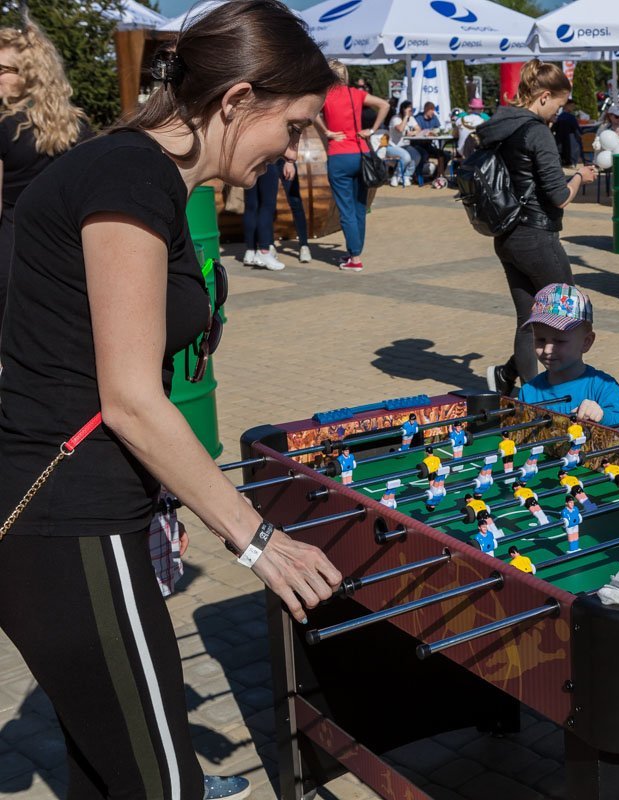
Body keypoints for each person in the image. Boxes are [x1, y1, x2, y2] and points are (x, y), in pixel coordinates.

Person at [0, 3, 342, 799]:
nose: (297, 150)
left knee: (110, 777)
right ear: (238, 99)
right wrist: (257, 540)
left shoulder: (140, 175)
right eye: (293, 125)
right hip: (72, 522)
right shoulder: (129, 176)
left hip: (76, 519)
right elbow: (129, 400)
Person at [476, 61, 597, 396]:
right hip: (537, 236)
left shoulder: (500, 127)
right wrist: (579, 177)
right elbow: (559, 197)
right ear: (544, 96)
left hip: (507, 235)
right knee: (568, 315)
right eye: (558, 105)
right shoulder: (537, 131)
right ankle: (559, 392)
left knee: (527, 321)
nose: (558, 113)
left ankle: (525, 392)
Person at [0, 19, 90, 337]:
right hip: (68, 260)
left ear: (29, 74)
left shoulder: (4, 127)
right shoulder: (80, 128)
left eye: (1, 70)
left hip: (12, 260)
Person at [515, 284, 619, 428]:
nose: (548, 349)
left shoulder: (604, 387)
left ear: (586, 342)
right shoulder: (529, 392)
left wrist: (603, 416)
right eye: (541, 340)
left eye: (559, 341)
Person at [317, 58, 388, 272]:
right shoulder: (356, 94)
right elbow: (385, 105)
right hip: (361, 152)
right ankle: (354, 251)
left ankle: (355, 257)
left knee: (346, 209)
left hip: (339, 155)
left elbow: (310, 113)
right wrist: (372, 130)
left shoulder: (324, 96)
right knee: (359, 207)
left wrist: (327, 131)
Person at [240, 160, 285, 269]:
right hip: (267, 162)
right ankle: (264, 251)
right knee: (267, 206)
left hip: (249, 165)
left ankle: (250, 251)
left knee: (251, 207)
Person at [382, 100, 422, 188]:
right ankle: (396, 175)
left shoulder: (411, 118)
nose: (411, 111)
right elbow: (400, 129)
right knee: (406, 157)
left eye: (412, 110)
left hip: (405, 146)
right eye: (409, 109)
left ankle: (407, 175)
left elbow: (419, 129)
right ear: (403, 109)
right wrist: (406, 116)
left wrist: (412, 133)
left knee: (416, 156)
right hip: (392, 146)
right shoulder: (395, 118)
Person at [279, 157, 311, 262]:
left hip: (284, 159)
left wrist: (289, 162)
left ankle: (304, 245)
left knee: (295, 202)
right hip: (267, 161)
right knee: (267, 204)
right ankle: (268, 245)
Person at [553, 96, 583, 166]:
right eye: (572, 106)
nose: (573, 108)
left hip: (561, 144)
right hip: (572, 142)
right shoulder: (571, 117)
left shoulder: (559, 117)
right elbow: (577, 131)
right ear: (566, 106)